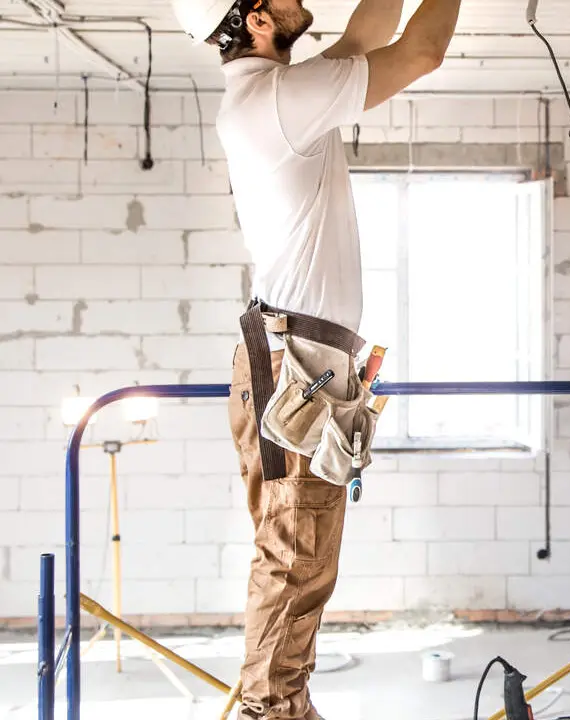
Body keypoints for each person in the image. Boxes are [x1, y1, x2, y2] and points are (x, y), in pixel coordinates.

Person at [170, 0, 462, 716]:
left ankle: (280, 705)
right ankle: (270, 711)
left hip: (297, 362)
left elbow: (368, 36)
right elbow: (420, 52)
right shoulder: (276, 103)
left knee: (298, 554)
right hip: (297, 368)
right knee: (297, 556)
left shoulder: (276, 96)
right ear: (257, 20)